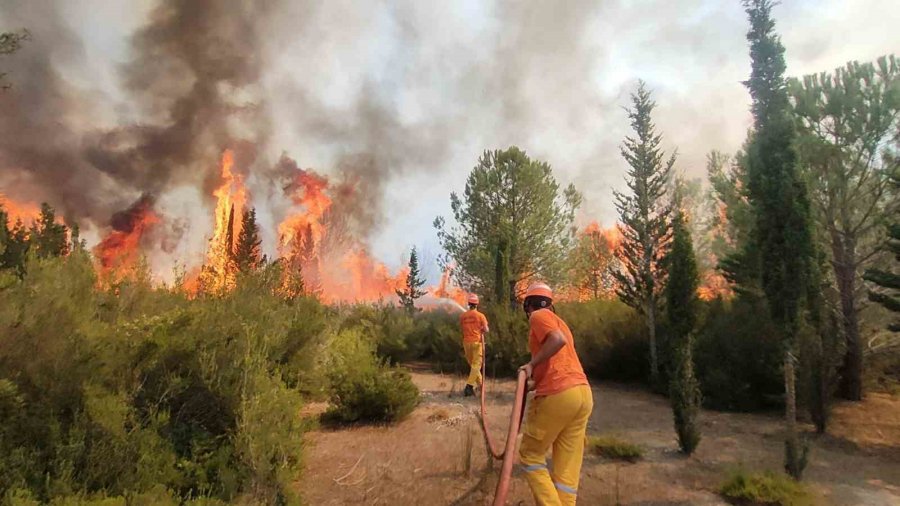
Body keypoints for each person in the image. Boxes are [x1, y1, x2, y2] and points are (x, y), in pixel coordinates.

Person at [517, 282, 593, 506]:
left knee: (530, 454)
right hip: (583, 394)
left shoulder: (538, 316)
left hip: (559, 394)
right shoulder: (562, 323)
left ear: (528, 305)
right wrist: (535, 382)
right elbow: (559, 361)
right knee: (566, 470)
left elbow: (556, 342)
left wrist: (530, 365)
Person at [459, 293, 489, 397]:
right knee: (476, 366)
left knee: (473, 367)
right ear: (477, 304)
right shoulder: (481, 316)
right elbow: (486, 329)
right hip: (477, 343)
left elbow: (462, 328)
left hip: (466, 343)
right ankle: (469, 386)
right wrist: (481, 329)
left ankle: (481, 386)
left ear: (469, 304)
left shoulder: (463, 316)